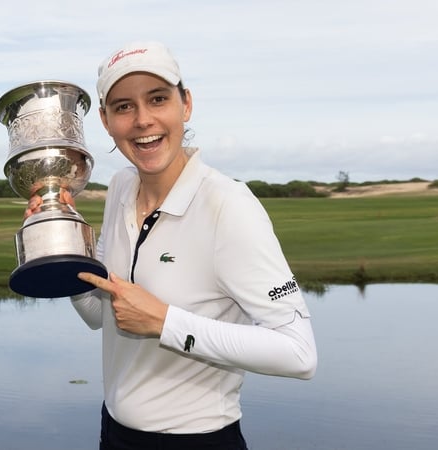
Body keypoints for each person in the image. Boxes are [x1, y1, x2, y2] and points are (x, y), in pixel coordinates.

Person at [26, 41, 317, 450]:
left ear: (186, 105)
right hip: (115, 432)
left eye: (158, 99)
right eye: (124, 106)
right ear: (107, 121)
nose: (143, 120)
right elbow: (99, 314)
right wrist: (64, 241)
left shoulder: (227, 204)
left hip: (197, 440)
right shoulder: (121, 186)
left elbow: (298, 353)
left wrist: (166, 322)